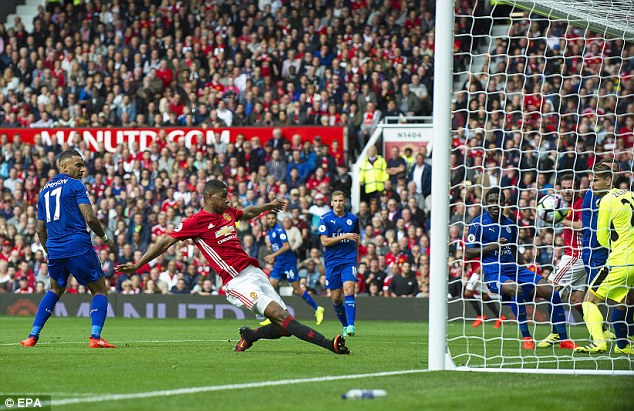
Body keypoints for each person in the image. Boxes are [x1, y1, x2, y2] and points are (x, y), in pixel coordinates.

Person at [116, 179, 349, 355]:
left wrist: (267, 206)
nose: (227, 200)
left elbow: (245, 213)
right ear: (208, 197)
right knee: (280, 315)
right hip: (236, 281)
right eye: (222, 196)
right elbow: (166, 241)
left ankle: (251, 335)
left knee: (285, 326)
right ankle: (330, 344)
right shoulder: (195, 222)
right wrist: (138, 265)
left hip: (255, 273)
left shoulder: (227, 212)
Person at [21, 149, 116, 348]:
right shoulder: (75, 185)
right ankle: (95, 337)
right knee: (99, 290)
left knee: (55, 289)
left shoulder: (44, 191)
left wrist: (51, 251)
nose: (82, 169)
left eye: (83, 165)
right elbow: (89, 217)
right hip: (77, 244)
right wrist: (106, 238)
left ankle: (32, 336)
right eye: (78, 165)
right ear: (64, 167)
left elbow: (40, 228)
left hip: (54, 247)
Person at [464, 188, 575, 350]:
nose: (496, 204)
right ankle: (527, 338)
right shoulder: (477, 224)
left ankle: (564, 340)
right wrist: (494, 245)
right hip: (494, 273)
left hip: (515, 270)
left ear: (504, 203)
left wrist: (526, 268)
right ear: (487, 203)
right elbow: (468, 252)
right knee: (516, 289)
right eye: (493, 201)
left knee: (552, 291)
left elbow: (515, 250)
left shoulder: (510, 224)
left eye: (500, 201)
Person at [575, 164, 634, 354]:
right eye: (591, 180)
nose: (592, 185)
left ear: (608, 180)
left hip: (619, 260)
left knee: (588, 301)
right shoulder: (630, 194)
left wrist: (614, 245)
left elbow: (601, 236)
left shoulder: (606, 200)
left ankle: (599, 342)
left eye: (596, 180)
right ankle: (623, 346)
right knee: (624, 301)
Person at [538, 173, 586, 348]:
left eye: (570, 187)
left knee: (549, 289)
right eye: (564, 187)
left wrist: (561, 220)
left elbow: (583, 225)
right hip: (576, 256)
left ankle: (556, 333)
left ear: (577, 187)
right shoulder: (564, 205)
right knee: (577, 302)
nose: (567, 190)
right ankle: (603, 331)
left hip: (576, 256)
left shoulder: (580, 204)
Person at [261, 211, 324, 326]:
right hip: (279, 263)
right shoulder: (269, 232)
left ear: (276, 219)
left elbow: (286, 246)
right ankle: (272, 316)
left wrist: (272, 255)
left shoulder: (279, 230)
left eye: (272, 218)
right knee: (271, 287)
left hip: (289, 263)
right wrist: (273, 257)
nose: (270, 220)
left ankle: (318, 308)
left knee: (297, 290)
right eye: (269, 218)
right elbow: (277, 247)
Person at [319, 191, 360, 337]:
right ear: (331, 203)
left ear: (345, 202)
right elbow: (324, 241)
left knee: (349, 290)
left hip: (348, 260)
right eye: (335, 201)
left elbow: (357, 238)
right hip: (332, 262)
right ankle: (344, 325)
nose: (338, 203)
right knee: (336, 298)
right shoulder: (325, 219)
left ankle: (351, 325)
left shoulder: (353, 219)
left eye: (341, 201)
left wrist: (355, 257)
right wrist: (345, 236)